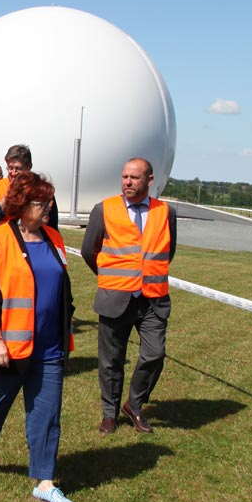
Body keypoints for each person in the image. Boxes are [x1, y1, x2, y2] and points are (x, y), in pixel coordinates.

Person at [0, 172, 77, 502]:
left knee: (47, 415)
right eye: (43, 203)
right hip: (8, 345)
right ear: (23, 205)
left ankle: (45, 482)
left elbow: (62, 285)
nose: (49, 208)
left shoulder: (54, 237)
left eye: (49, 202)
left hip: (50, 347)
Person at [80, 157, 177, 435]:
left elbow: (167, 252)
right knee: (111, 360)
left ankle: (134, 404)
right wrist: (111, 276)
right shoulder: (104, 209)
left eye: (134, 178)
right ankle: (109, 413)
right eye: (124, 177)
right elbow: (90, 251)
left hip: (152, 299)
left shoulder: (165, 212)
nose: (128, 183)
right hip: (115, 297)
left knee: (154, 354)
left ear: (150, 180)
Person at [0, 144, 59, 231]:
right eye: (10, 168)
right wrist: (7, 199)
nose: (13, 173)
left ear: (29, 166)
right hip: (5, 241)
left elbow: (52, 225)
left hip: (32, 240)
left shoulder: (42, 189)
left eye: (18, 168)